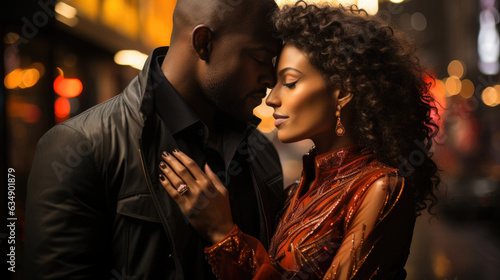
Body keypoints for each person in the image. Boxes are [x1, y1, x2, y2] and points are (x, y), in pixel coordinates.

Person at [157, 2, 441, 280]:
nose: (272, 98)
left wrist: (223, 233)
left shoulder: (381, 188)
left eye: (290, 82)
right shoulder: (296, 192)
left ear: (342, 92)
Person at [24, 0, 285, 279]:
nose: (271, 78)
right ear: (203, 42)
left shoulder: (261, 153)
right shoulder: (79, 145)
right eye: (259, 58)